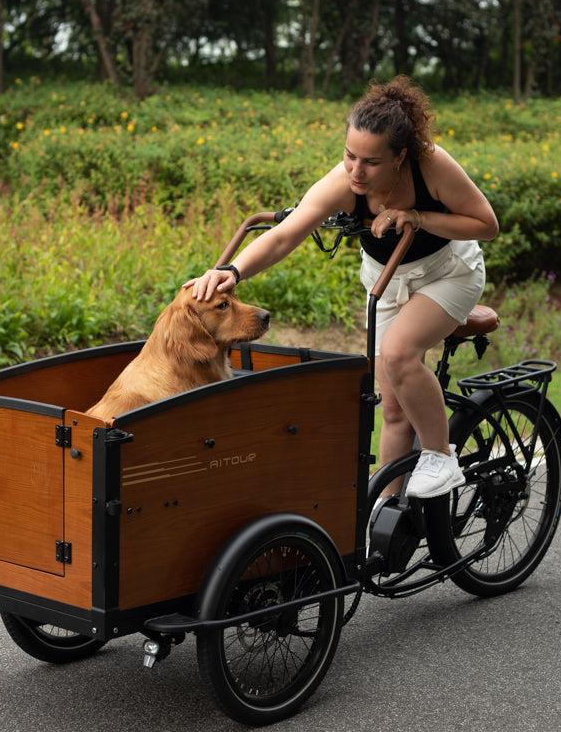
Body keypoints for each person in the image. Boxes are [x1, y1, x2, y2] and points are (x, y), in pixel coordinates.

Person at [188, 76, 498, 499]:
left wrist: (419, 217)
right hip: (389, 281)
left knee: (398, 354)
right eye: (350, 156)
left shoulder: (431, 164)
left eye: (371, 162)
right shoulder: (344, 182)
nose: (356, 171)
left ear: (400, 156)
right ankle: (386, 516)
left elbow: (486, 224)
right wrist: (232, 271)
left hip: (448, 273)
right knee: (393, 409)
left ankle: (440, 455)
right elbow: (284, 236)